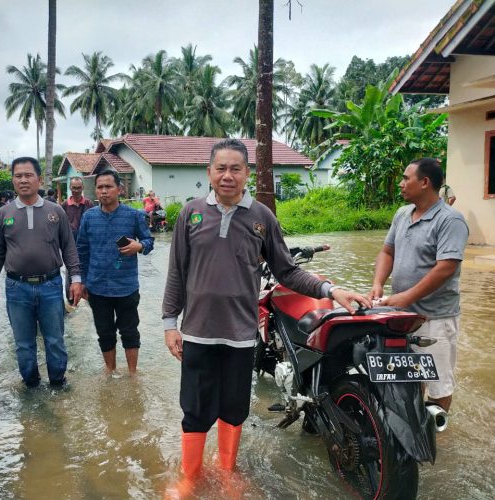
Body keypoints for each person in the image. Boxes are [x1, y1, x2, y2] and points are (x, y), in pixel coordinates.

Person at [162, 139, 370, 492]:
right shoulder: (190, 214)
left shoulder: (261, 218)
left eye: (236, 169)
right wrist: (170, 324)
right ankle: (189, 478)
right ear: (208, 172)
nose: (228, 176)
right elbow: (177, 272)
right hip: (197, 333)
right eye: (221, 168)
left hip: (242, 334)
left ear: (248, 174)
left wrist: (331, 291)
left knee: (233, 409)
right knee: (195, 410)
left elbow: (288, 271)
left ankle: (227, 472)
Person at [369, 158, 468, 412]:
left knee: (438, 386)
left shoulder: (450, 220)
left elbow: (446, 268)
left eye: (406, 178)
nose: (401, 184)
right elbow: (387, 252)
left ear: (425, 182)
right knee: (407, 379)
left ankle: (434, 443)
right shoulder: (402, 214)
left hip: (434, 318)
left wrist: (406, 296)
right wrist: (378, 284)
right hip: (400, 317)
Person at [0, 156, 83, 388]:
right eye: (18, 176)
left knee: (55, 340)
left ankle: (58, 383)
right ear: (13, 181)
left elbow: (69, 247)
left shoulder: (55, 212)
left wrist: (76, 279)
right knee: (23, 343)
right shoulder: (3, 214)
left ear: (38, 179)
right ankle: (31, 386)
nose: (23, 180)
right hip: (17, 288)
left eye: (28, 175)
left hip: (50, 285)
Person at [76, 170, 154, 374]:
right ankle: (110, 371)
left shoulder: (134, 216)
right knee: (104, 332)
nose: (103, 191)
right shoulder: (89, 217)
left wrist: (139, 246)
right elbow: (82, 250)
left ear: (119, 189)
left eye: (108, 187)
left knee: (129, 331)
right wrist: (82, 281)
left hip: (126, 286)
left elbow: (149, 241)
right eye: (100, 187)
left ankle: (132, 374)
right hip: (97, 286)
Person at [61, 177, 95, 302]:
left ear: (83, 188)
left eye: (78, 187)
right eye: (74, 187)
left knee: (87, 267)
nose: (76, 190)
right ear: (70, 188)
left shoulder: (89, 204)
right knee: (71, 270)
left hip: (86, 243)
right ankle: (71, 300)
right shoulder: (64, 205)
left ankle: (88, 295)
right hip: (70, 243)